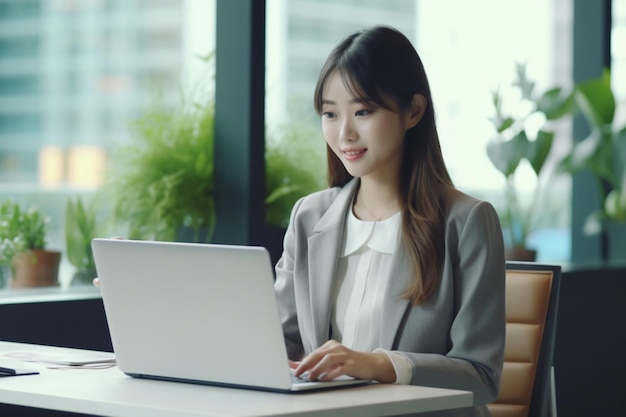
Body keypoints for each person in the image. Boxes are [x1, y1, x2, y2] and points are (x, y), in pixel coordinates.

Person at [273, 25, 506, 417]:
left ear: (413, 111)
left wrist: (381, 365)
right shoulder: (309, 217)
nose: (344, 132)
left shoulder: (466, 223)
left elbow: (481, 376)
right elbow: (279, 342)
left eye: (363, 111)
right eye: (330, 114)